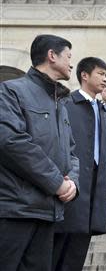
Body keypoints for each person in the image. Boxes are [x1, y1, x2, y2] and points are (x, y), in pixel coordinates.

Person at [0, 34, 79, 271]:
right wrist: (56, 182)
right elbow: (11, 141)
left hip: (48, 212)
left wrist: (72, 183)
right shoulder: (11, 91)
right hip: (15, 210)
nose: (71, 64)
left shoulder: (60, 103)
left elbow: (71, 152)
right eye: (68, 57)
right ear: (51, 56)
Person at [53, 57, 106, 271]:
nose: (105, 79)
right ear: (84, 75)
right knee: (58, 251)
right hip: (70, 186)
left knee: (77, 253)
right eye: (101, 74)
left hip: (95, 190)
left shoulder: (102, 110)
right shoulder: (67, 103)